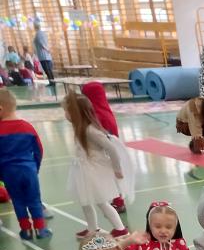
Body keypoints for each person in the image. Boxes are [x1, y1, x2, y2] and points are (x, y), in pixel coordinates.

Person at [63, 93, 133, 240]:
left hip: (93, 171)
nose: (65, 114)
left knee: (102, 202)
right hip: (84, 171)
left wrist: (117, 169)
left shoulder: (90, 130)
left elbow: (111, 148)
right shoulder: (80, 128)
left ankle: (120, 229)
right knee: (85, 202)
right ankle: (92, 228)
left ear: (76, 113)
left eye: (67, 111)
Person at [0, 89, 50, 240]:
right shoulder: (27, 127)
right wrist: (35, 167)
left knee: (18, 201)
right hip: (29, 170)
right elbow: (39, 150)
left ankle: (26, 230)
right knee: (34, 199)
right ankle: (41, 230)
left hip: (9, 172)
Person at [80, 81, 128, 214]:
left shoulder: (98, 115)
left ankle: (118, 202)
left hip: (106, 151)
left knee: (112, 176)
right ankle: (116, 200)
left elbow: (105, 138)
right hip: (108, 150)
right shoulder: (104, 110)